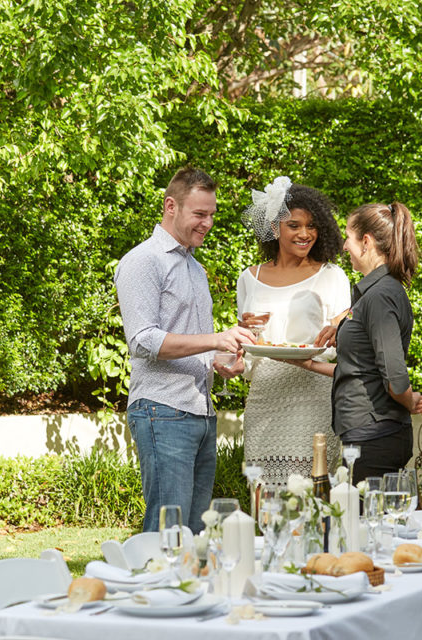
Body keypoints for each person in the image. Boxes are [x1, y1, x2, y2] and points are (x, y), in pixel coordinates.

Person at [115, 166, 254, 533]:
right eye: (199, 214)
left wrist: (222, 361)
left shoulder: (195, 267)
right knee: (169, 533)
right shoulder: (143, 261)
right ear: (170, 206)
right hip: (163, 410)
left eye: (212, 214)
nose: (208, 223)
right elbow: (143, 340)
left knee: (194, 535)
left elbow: (194, 341)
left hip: (200, 412)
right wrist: (215, 339)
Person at [288, 201, 422, 484]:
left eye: (348, 238)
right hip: (367, 433)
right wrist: (308, 364)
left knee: (365, 512)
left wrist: (408, 399)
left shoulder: (380, 296)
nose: (343, 246)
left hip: (376, 436)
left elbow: (395, 378)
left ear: (366, 242)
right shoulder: (373, 293)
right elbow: (360, 369)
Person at [237, 176, 351, 484]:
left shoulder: (332, 276)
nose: (305, 234)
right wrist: (242, 335)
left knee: (312, 493)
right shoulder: (249, 278)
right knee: (264, 494)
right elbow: (247, 345)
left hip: (314, 398)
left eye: (311, 226)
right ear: (275, 228)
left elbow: (343, 342)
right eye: (294, 225)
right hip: (265, 398)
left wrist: (335, 331)